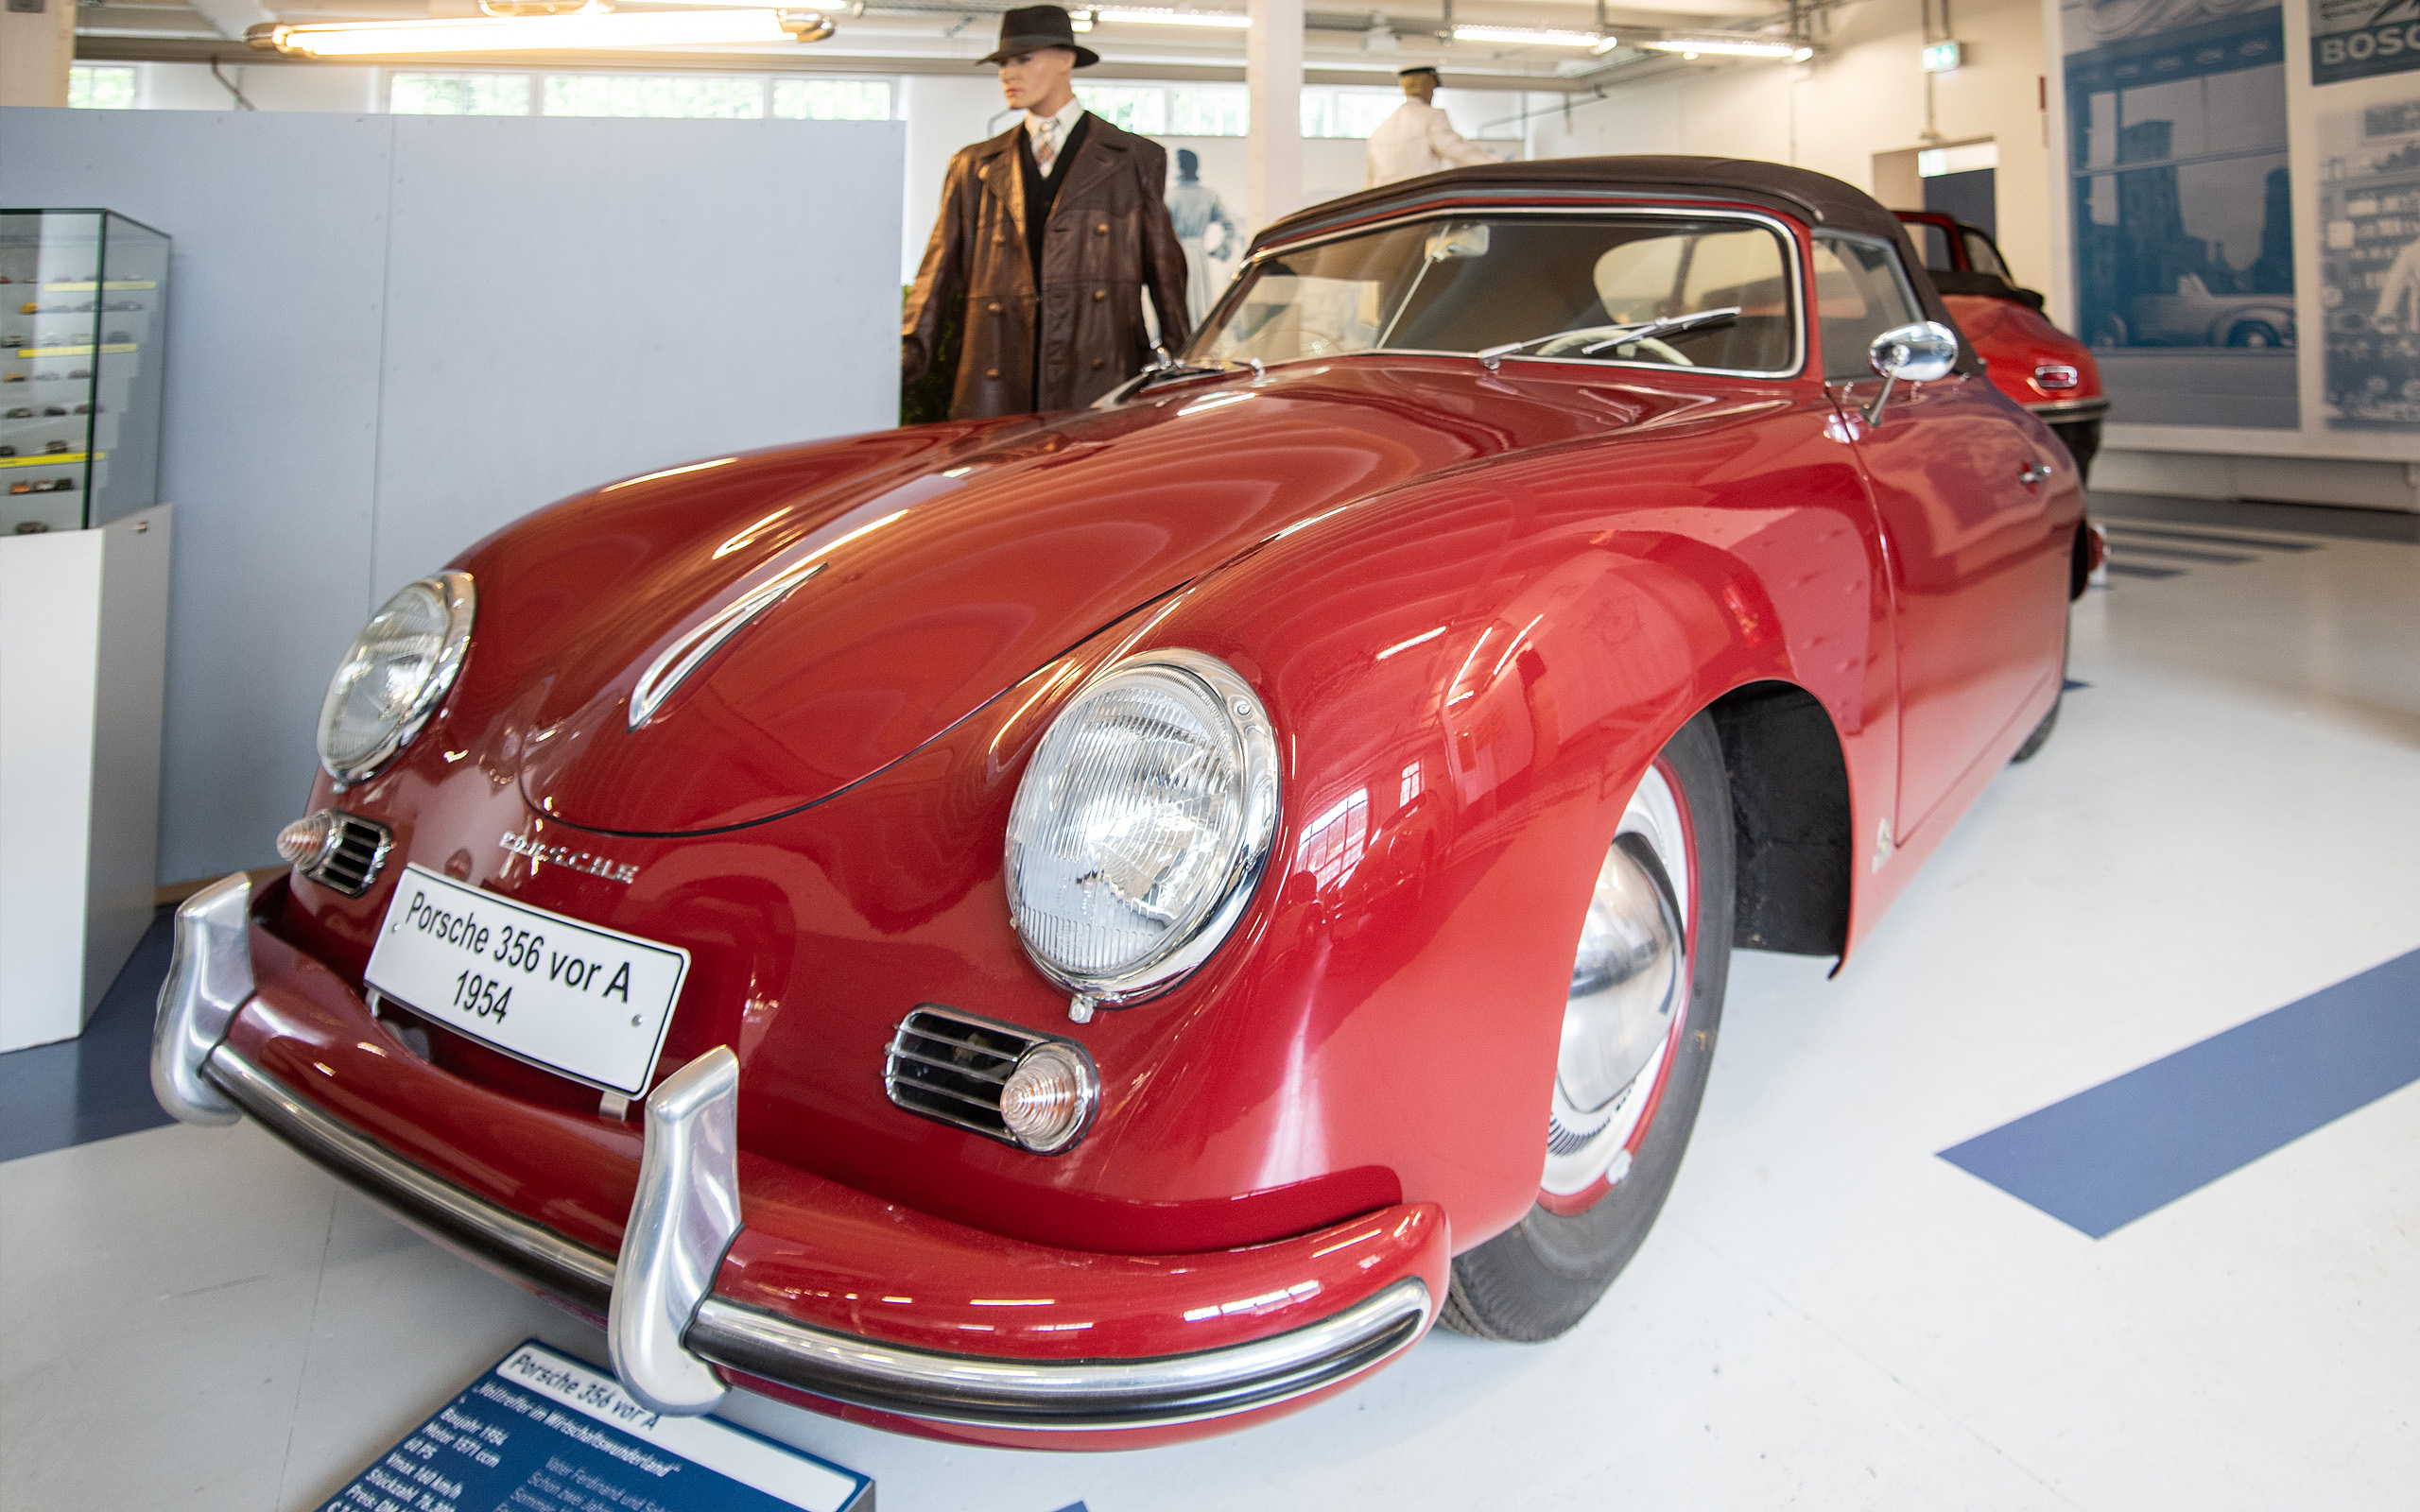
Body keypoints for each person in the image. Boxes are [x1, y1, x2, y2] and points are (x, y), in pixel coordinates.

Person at [902, 5, 1189, 420]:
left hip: (1098, 370)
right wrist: (899, 370)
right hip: (996, 374)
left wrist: (1186, 368)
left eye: (1023, 59)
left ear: (1065, 60)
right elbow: (936, 277)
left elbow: (1167, 276)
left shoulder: (1134, 159)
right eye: (1002, 63)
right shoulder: (973, 165)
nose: (1007, 74)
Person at [1364, 65, 1499, 188]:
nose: (1433, 93)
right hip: (1419, 201)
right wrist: (1496, 168)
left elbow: (1369, 183)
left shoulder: (1380, 131)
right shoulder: (1431, 117)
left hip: (1389, 208)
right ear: (1428, 84)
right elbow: (1459, 151)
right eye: (1434, 87)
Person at [1165, 148, 1241, 327]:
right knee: (1196, 301)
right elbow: (1230, 225)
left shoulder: (1171, 196)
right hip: (1196, 254)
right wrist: (1220, 250)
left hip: (1178, 253)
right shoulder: (1207, 195)